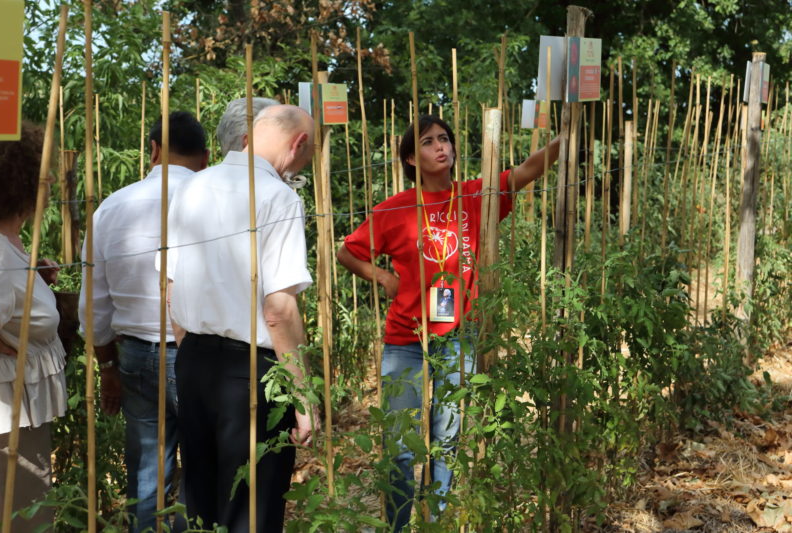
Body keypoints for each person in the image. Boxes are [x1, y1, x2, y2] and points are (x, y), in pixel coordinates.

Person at [337, 114, 560, 530]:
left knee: (447, 441)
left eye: (445, 139)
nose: (440, 147)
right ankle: (399, 525)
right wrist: (383, 276)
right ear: (410, 157)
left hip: (458, 337)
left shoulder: (476, 196)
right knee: (401, 443)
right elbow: (347, 252)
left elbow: (527, 171)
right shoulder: (395, 208)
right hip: (406, 339)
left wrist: (567, 137)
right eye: (427, 142)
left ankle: (435, 521)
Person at [164, 104, 319, 532]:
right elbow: (279, 309)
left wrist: (190, 352)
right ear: (298, 143)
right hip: (252, 373)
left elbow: (170, 285)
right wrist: (304, 399)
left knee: (199, 497)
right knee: (253, 506)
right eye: (308, 155)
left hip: (193, 361)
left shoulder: (192, 188)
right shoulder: (278, 197)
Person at [77, 110, 209, 532]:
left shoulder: (111, 209)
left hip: (133, 354)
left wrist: (108, 365)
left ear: (152, 150)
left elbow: (93, 305)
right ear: (206, 157)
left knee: (148, 470)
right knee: (205, 466)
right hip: (200, 352)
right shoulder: (215, 201)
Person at [0, 122, 68, 531]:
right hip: (5, 422)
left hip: (16, 414)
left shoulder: (7, 248)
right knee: (21, 518)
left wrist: (35, 280)